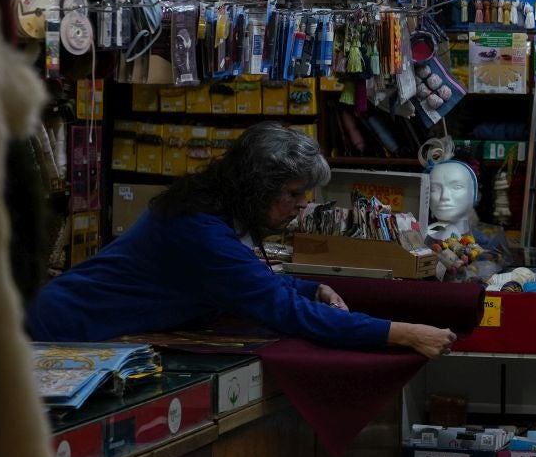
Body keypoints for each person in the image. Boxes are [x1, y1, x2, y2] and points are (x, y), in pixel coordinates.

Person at [26, 123, 458, 358]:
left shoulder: (208, 211)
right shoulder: (199, 231)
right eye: (292, 194)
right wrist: (403, 333)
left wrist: (313, 286)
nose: (301, 206)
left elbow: (246, 279)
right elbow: (282, 310)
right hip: (53, 333)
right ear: (256, 187)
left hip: (68, 331)